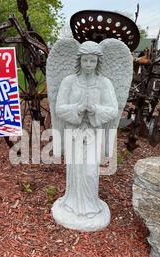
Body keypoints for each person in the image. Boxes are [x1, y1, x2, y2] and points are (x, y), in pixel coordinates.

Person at [51, 41, 118, 231]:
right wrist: (78, 109)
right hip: (74, 132)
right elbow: (59, 108)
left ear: (98, 62)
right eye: (85, 61)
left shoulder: (104, 83)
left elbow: (113, 109)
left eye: (93, 61)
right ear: (79, 60)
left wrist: (95, 109)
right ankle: (71, 203)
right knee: (75, 169)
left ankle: (90, 204)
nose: (89, 65)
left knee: (89, 170)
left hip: (93, 133)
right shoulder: (69, 82)